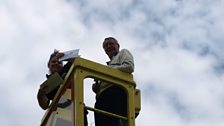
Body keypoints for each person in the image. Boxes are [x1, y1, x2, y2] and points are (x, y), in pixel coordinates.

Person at [37, 50, 88, 126]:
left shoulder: (68, 69)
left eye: (59, 62)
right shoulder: (47, 84)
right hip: (59, 117)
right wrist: (39, 95)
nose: (56, 63)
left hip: (77, 111)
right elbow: (44, 106)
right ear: (49, 65)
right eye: (53, 62)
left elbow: (78, 60)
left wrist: (64, 56)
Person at [92, 37, 134, 126]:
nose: (109, 46)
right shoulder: (107, 66)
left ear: (118, 46)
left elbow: (129, 66)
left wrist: (105, 71)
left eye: (111, 44)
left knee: (111, 122)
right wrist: (97, 89)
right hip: (102, 99)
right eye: (106, 46)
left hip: (115, 92)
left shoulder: (123, 53)